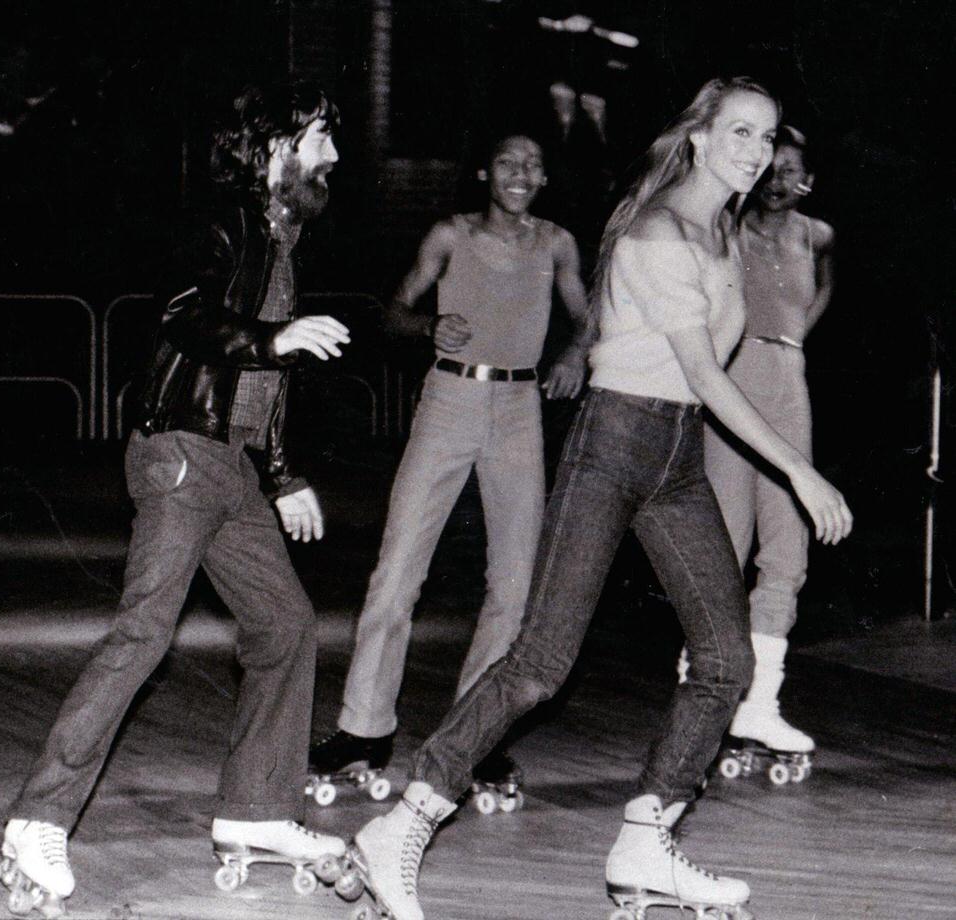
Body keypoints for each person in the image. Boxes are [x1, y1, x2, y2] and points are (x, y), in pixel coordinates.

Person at [340, 77, 852, 920]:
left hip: (677, 454)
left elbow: (717, 375)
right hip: (616, 443)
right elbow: (700, 373)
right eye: (739, 133)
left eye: (765, 137)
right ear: (697, 137)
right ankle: (400, 826)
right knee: (541, 662)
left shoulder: (721, 230)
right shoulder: (658, 233)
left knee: (727, 661)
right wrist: (798, 470)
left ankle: (646, 839)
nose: (756, 151)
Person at [0, 83, 352, 913]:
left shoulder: (285, 242)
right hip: (181, 453)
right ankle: (37, 817)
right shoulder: (219, 222)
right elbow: (189, 317)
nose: (334, 157)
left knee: (285, 623)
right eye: (322, 137)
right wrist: (271, 336)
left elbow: (271, 379)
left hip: (236, 469)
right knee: (145, 629)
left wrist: (286, 473)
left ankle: (257, 810)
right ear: (274, 148)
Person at [308, 134, 593, 806]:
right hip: (450, 398)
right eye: (507, 163)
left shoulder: (557, 244)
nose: (520, 173)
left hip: (520, 405)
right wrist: (423, 329)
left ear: (544, 176)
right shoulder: (450, 234)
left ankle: (475, 734)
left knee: (515, 580)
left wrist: (576, 355)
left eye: (532, 165)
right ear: (484, 172)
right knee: (399, 564)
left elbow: (591, 316)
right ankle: (364, 729)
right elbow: (395, 308)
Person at [702, 126, 835, 768]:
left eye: (793, 171)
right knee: (724, 543)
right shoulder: (724, 227)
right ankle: (702, 693)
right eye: (770, 167)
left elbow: (820, 291)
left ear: (807, 178)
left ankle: (760, 704)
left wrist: (791, 341)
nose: (780, 181)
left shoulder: (819, 236)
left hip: (789, 385)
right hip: (731, 384)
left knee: (787, 547)